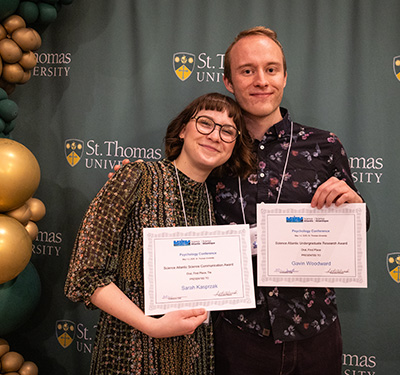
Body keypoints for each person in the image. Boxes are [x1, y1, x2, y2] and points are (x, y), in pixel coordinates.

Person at [206, 26, 369, 375]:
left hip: (315, 331)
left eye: (271, 69)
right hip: (238, 333)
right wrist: (137, 181)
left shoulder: (325, 146)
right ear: (229, 82)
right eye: (247, 70)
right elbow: (172, 197)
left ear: (284, 76)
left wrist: (356, 208)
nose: (261, 80)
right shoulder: (212, 151)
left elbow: (356, 225)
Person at [64, 92, 254, 375]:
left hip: (193, 355)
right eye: (205, 123)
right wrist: (151, 325)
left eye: (228, 131)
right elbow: (85, 276)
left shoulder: (215, 200)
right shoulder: (136, 177)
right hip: (130, 351)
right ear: (182, 130)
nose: (216, 136)